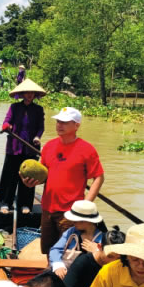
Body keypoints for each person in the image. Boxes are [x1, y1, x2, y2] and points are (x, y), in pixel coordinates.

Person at [21, 106, 104, 255]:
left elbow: (99, 177)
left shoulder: (86, 149)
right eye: (58, 121)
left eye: (65, 122)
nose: (59, 125)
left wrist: (85, 205)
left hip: (70, 212)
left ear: (77, 125)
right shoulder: (49, 146)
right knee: (48, 251)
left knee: (68, 253)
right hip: (47, 209)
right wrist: (31, 183)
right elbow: (44, 176)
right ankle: (51, 274)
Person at [0, 78, 45, 214]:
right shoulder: (14, 107)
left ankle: (25, 205)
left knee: (30, 176)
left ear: (35, 95)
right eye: (27, 92)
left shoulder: (38, 109)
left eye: (32, 93)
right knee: (9, 175)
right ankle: (5, 203)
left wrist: (37, 137)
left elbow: (41, 127)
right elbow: (7, 121)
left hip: (30, 148)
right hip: (14, 146)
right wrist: (8, 126)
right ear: (22, 94)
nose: (29, 95)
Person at [48, 199, 107, 278]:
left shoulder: (104, 238)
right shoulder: (71, 231)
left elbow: (109, 261)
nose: (73, 222)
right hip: (67, 273)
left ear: (88, 221)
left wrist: (96, 252)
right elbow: (56, 249)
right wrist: (58, 265)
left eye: (76, 220)